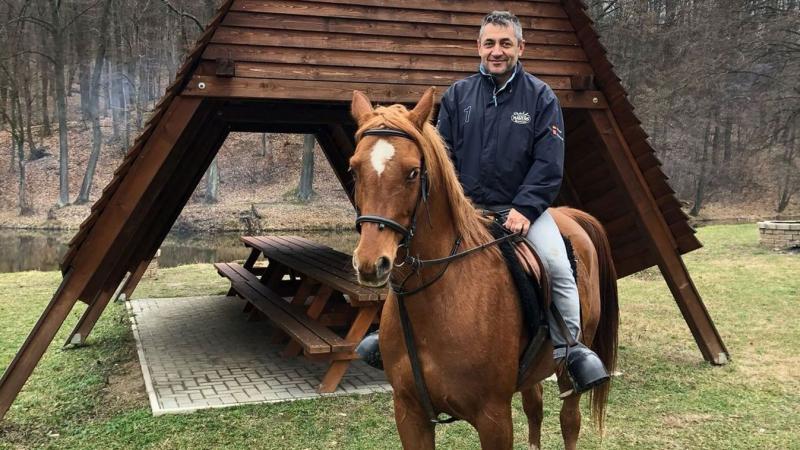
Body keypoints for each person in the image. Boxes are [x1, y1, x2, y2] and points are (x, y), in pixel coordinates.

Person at [357, 11, 609, 395]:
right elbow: (444, 160)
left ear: (520, 48)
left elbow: (548, 164)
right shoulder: (459, 96)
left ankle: (570, 350)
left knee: (557, 266)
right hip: (468, 209)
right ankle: (388, 335)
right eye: (490, 43)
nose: (497, 51)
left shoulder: (541, 98)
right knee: (410, 256)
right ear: (479, 47)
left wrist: (525, 209)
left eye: (505, 43)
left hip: (523, 211)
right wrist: (457, 207)